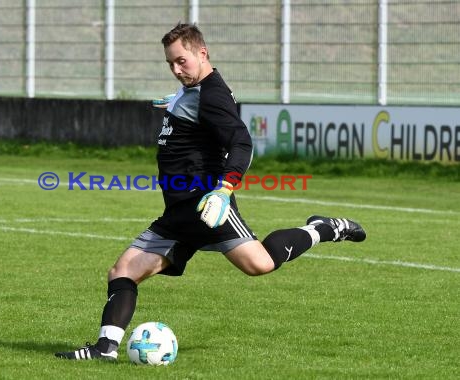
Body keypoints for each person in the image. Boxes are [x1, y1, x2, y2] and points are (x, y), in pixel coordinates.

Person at [55, 23, 366, 361]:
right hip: (179, 210)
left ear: (202, 53)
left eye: (182, 61)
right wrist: (177, 104)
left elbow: (241, 142)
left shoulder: (212, 95)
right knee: (124, 271)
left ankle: (323, 228)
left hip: (206, 205)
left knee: (258, 263)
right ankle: (105, 348)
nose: (176, 70)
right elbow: (195, 114)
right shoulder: (195, 91)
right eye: (170, 64)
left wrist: (224, 189)